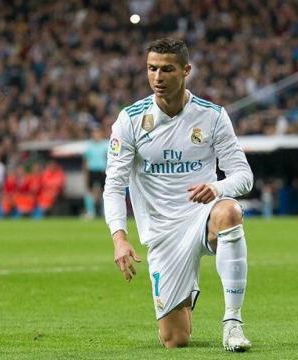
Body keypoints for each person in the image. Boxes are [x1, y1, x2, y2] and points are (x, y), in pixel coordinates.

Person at [103, 38, 253, 351]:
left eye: (167, 69)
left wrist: (216, 188)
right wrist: (119, 238)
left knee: (229, 212)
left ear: (186, 71)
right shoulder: (130, 120)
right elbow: (115, 185)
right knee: (175, 339)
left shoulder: (212, 116)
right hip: (161, 232)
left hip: (203, 215)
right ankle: (184, 292)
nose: (158, 77)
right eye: (152, 69)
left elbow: (243, 176)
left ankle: (233, 323)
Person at [83, 127, 109, 218]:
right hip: (92, 170)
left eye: (98, 132)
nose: (96, 135)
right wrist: (85, 174)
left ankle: (105, 212)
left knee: (105, 191)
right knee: (89, 191)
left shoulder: (106, 145)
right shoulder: (89, 145)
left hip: (102, 171)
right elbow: (85, 161)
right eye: (94, 133)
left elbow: (108, 158)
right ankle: (90, 212)